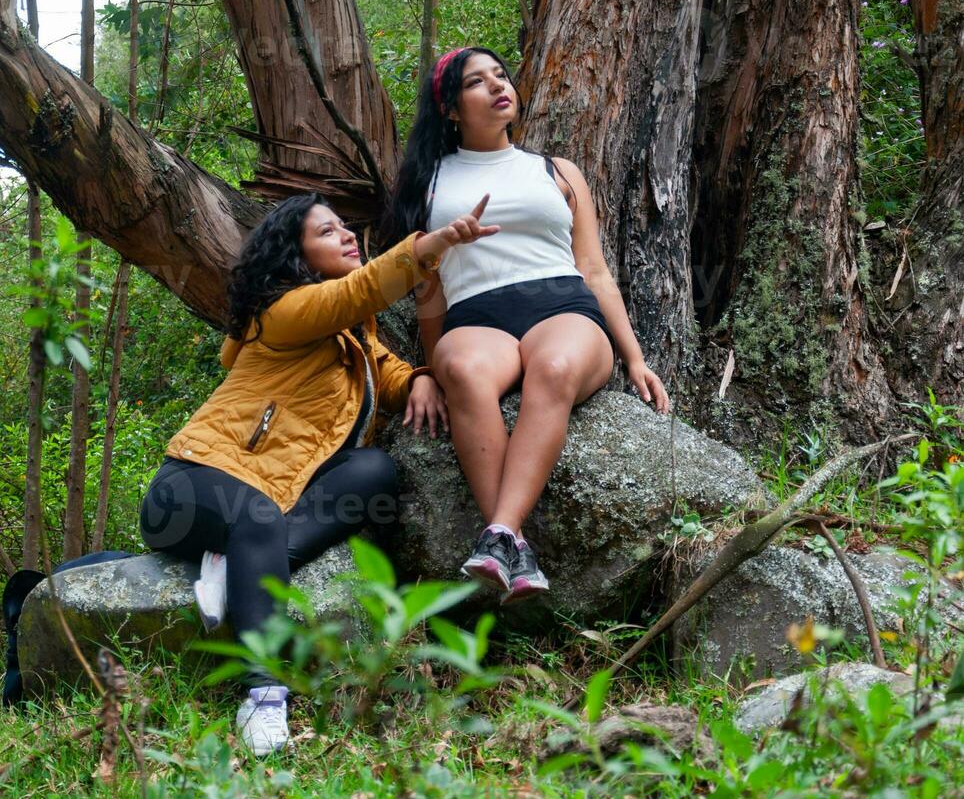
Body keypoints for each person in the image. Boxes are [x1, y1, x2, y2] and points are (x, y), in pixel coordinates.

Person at [138, 194, 493, 756]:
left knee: (375, 470)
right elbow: (362, 288)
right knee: (255, 516)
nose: (349, 235)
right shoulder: (282, 312)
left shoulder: (349, 334)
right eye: (328, 232)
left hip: (265, 507)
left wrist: (422, 378)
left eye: (345, 226)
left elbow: (385, 371)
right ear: (296, 257)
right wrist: (434, 246)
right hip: (190, 488)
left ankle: (233, 568)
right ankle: (262, 692)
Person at [383, 46, 671, 605]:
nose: (497, 86)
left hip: (563, 307)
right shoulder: (429, 183)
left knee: (555, 366)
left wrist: (635, 357)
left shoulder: (556, 171)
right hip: (477, 316)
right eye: (476, 82)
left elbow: (593, 268)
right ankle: (514, 544)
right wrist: (429, 366)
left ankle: (499, 533)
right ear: (449, 108)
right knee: (463, 371)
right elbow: (428, 292)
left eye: (501, 75)